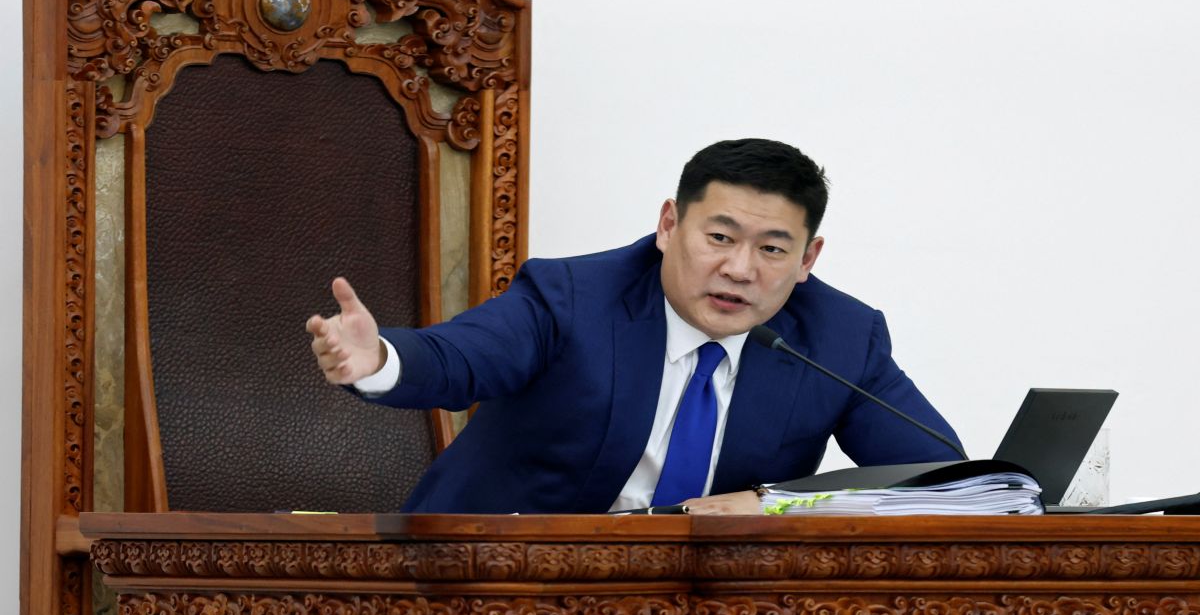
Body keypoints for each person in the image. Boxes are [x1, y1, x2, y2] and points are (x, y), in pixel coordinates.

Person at [307, 138, 963, 514]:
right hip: (496, 580)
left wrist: (772, 502)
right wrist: (383, 357)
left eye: (771, 248)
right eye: (720, 236)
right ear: (669, 225)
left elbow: (942, 478)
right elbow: (465, 356)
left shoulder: (841, 338)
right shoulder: (573, 297)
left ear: (807, 259)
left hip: (700, 608)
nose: (738, 268)